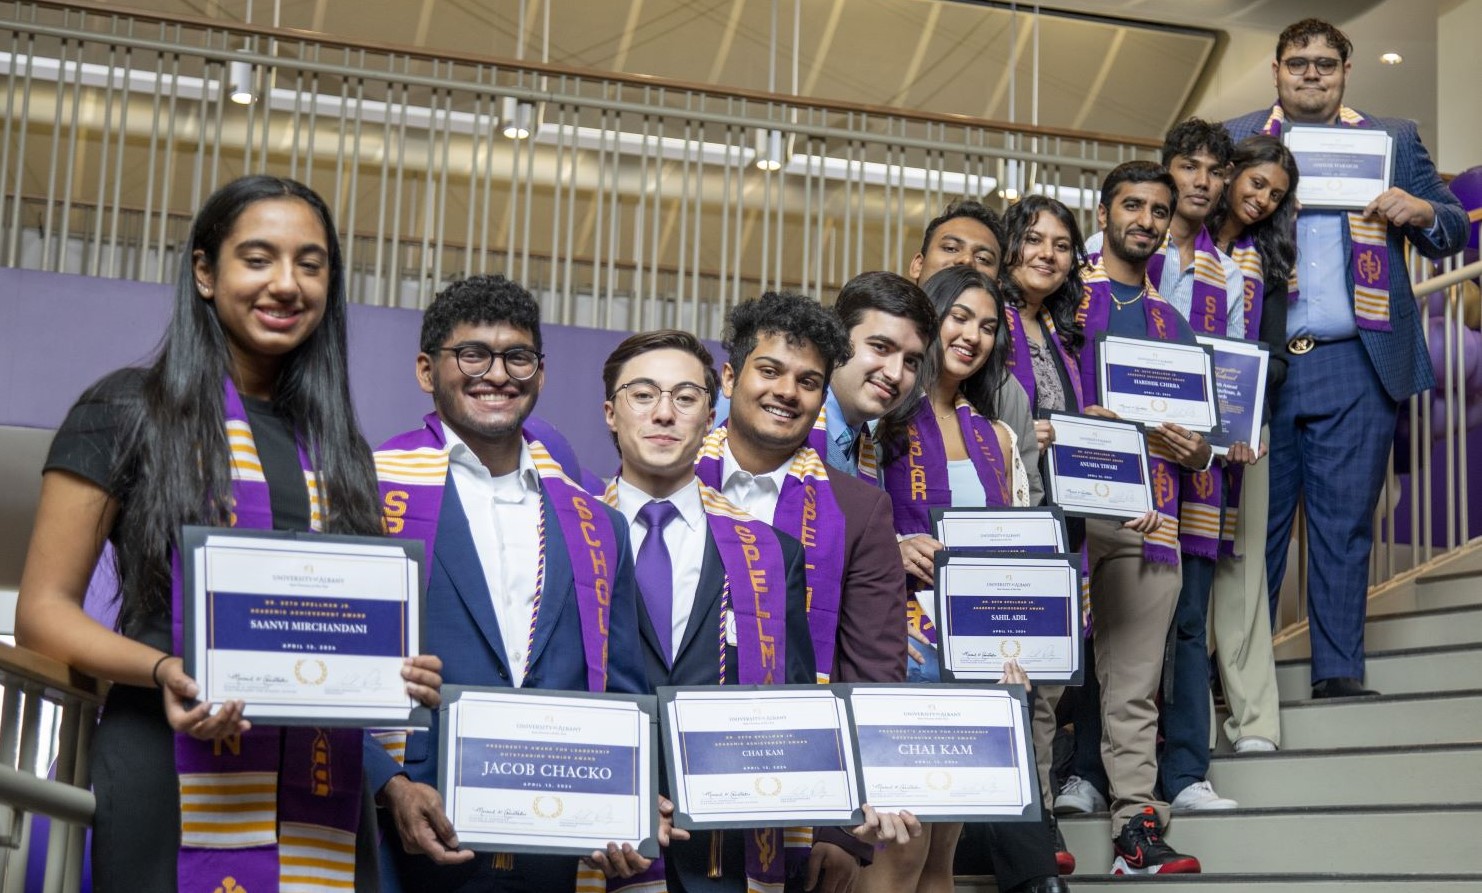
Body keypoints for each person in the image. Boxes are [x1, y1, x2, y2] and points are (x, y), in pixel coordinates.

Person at [15, 175, 444, 891]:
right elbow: (41, 610)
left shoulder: (339, 447)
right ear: (205, 272)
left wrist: (392, 673)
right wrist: (164, 670)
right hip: (168, 757)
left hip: (319, 782)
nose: (286, 284)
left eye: (311, 264)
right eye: (258, 258)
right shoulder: (124, 410)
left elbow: (340, 626)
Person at [597, 329, 914, 892]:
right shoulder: (571, 533)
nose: (665, 414)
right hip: (607, 841)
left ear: (705, 407)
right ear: (611, 413)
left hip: (732, 843)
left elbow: (801, 699)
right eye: (643, 395)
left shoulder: (770, 552)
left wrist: (845, 810)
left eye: (684, 398)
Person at [367, 275, 648, 892]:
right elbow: (334, 666)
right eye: (473, 354)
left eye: (517, 356)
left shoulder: (598, 523)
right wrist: (388, 786)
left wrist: (629, 800)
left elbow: (622, 682)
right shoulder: (368, 491)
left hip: (551, 843)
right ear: (426, 369)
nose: (497, 374)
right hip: (410, 828)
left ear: (540, 373)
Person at [1225, 18, 1468, 698]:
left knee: (1345, 523)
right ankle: (1242, 681)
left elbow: (1452, 229)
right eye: (1297, 62)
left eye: (1325, 63)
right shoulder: (1238, 137)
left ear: (1346, 72)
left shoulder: (1393, 139)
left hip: (1357, 355)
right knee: (1253, 529)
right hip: (1261, 360)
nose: (1311, 73)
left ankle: (1337, 671)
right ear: (1275, 70)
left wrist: (1420, 208)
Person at [694, 290, 910, 888]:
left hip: (801, 807)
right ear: (730, 376)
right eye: (769, 370)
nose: (787, 392)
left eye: (809, 381)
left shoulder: (860, 510)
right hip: (679, 799)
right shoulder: (668, 484)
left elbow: (872, 674)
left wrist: (843, 832)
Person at [870, 265, 1066, 893]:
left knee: (944, 851)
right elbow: (848, 521)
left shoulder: (996, 434)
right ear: (930, 319)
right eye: (960, 318)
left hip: (975, 653)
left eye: (987, 327)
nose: (973, 336)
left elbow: (1017, 553)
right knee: (905, 845)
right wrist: (894, 547)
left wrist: (1023, 643)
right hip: (906, 648)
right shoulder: (882, 419)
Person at [1076, 161, 1212, 876]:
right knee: (1036, 682)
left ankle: (1135, 830)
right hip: (1064, 514)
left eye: (1160, 211)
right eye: (1133, 205)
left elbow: (1196, 437)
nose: (1148, 220)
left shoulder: (1173, 322)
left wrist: (1196, 450)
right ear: (1103, 214)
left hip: (1149, 515)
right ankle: (1031, 831)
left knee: (1134, 687)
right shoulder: (1066, 301)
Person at [998, 193, 1089, 875]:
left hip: (1061, 521)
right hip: (1009, 517)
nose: (1047, 254)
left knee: (1048, 684)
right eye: (1034, 239)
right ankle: (1023, 825)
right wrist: (1030, 434)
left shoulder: (1060, 335)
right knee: (1016, 679)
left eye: (1061, 244)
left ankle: (1040, 815)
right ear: (1009, 246)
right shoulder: (989, 325)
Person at [1203, 135, 1302, 753]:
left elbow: (1276, 354)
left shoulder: (1263, 257)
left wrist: (1246, 407)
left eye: (1276, 194)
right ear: (1230, 172)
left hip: (1245, 425)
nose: (1263, 199)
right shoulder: (1171, 240)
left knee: (1241, 570)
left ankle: (1256, 722)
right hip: (1170, 427)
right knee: (1169, 580)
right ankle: (1177, 724)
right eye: (1257, 183)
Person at [910, 199, 1043, 506]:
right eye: (951, 248)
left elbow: (1025, 497)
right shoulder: (883, 370)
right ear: (917, 264)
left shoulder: (1004, 391)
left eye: (982, 258)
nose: (965, 262)